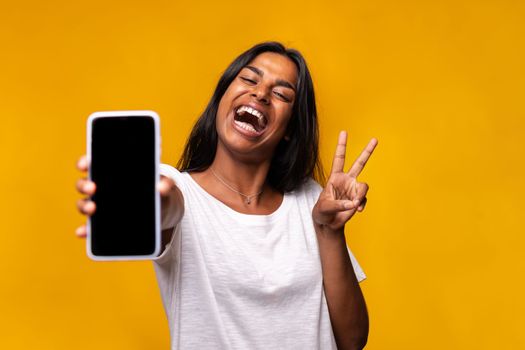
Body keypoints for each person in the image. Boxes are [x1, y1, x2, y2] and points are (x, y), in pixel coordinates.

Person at [75, 41, 378, 350]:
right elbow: (167, 207)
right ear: (222, 98)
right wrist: (148, 202)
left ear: (290, 128)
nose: (260, 93)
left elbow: (352, 340)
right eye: (249, 79)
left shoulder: (310, 201)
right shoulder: (177, 188)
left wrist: (330, 231)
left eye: (281, 93)